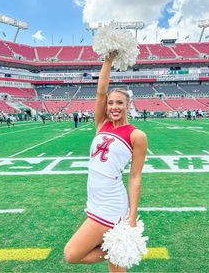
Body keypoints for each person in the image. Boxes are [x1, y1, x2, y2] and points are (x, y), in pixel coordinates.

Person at [64, 52, 147, 272]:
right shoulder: (101, 124)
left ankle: (118, 247)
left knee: (71, 254)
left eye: (119, 103)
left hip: (111, 203)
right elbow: (100, 92)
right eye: (110, 103)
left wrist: (132, 215)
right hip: (94, 200)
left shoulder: (136, 135)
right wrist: (108, 61)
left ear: (128, 105)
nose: (113, 107)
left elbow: (135, 176)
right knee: (116, 266)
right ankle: (116, 248)